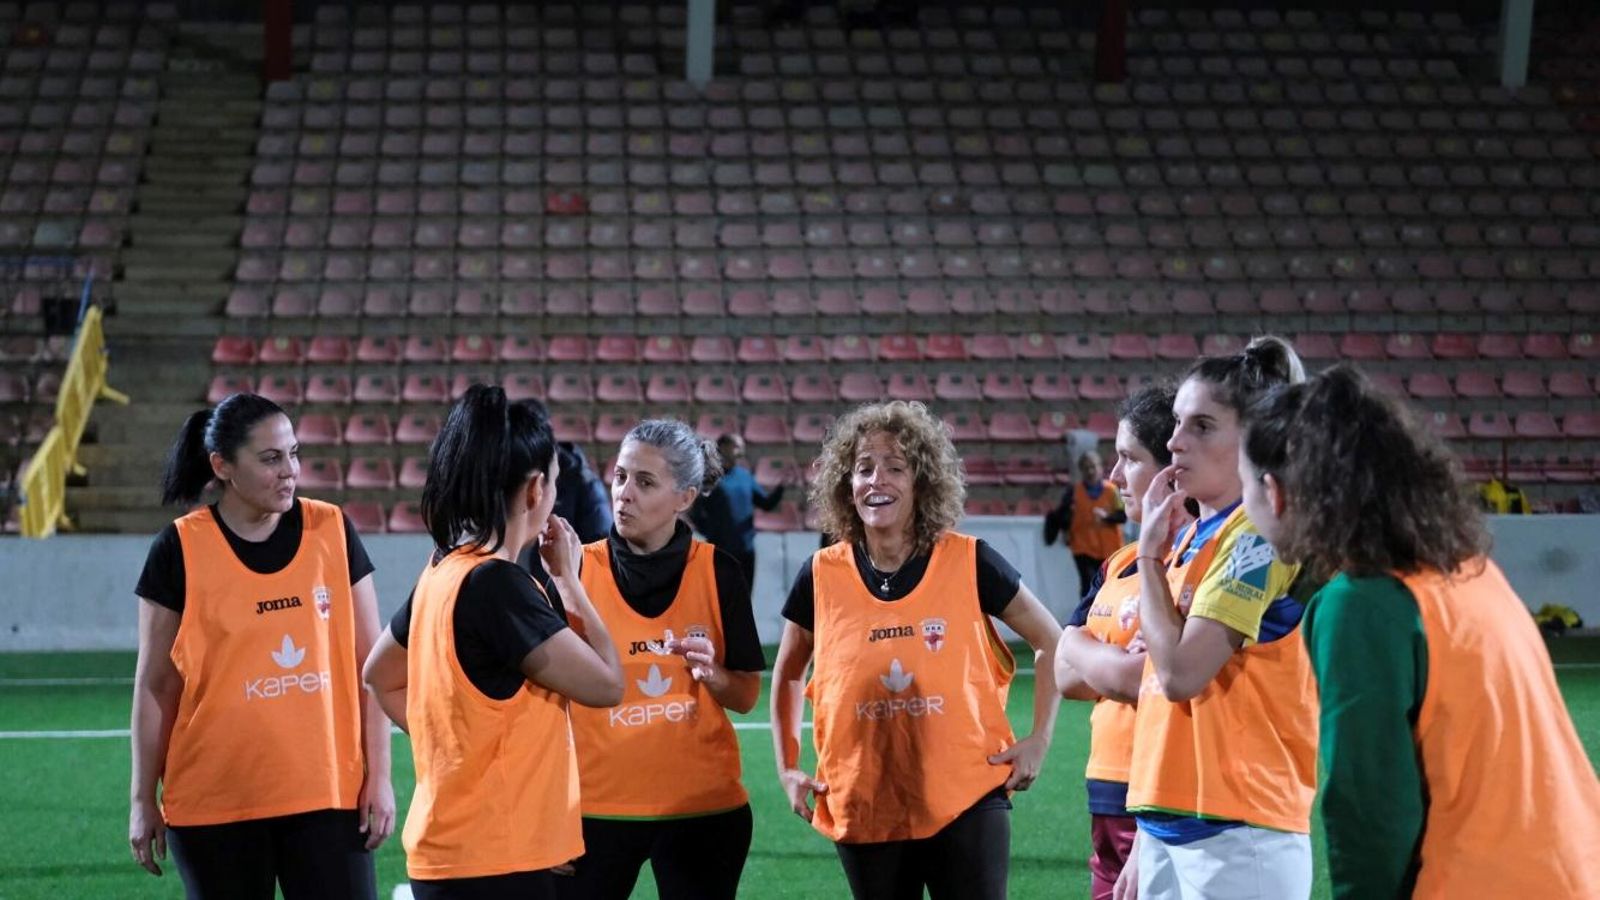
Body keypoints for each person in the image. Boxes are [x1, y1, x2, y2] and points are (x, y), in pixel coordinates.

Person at [1240, 365, 1600, 898]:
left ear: (1274, 493)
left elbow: (1370, 808)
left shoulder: (1361, 605)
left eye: (1244, 486)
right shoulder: (1471, 571)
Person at [771, 400, 1062, 900]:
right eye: (864, 468)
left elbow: (1053, 642)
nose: (876, 480)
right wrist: (787, 768)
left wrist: (1039, 739)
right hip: (863, 800)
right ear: (845, 483)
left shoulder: (972, 560)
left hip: (968, 797)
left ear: (922, 482)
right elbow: (789, 673)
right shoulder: (820, 574)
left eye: (895, 467)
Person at [361, 385, 624, 899]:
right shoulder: (499, 586)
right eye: (554, 480)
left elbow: (380, 675)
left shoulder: (443, 567)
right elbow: (608, 684)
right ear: (534, 490)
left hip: (457, 852)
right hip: (494, 860)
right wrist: (569, 581)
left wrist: (457, 751)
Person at [129, 392, 393, 899]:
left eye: (293, 454)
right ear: (222, 466)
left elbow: (372, 668)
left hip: (329, 799)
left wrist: (379, 777)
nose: (289, 470)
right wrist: (142, 799)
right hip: (214, 805)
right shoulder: (178, 548)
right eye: (271, 458)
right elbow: (156, 685)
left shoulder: (333, 529)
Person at [1115, 336, 1317, 900]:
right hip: (1175, 820)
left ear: (1257, 437)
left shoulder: (1256, 534)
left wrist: (1148, 557)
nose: (1174, 441)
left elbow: (1179, 674)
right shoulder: (1195, 535)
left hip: (1238, 828)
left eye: (1202, 426)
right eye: (1178, 423)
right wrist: (1147, 835)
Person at [561, 420, 765, 900]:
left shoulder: (719, 570)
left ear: (685, 498)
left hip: (703, 810)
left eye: (645, 482)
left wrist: (714, 675)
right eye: (620, 476)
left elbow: (745, 697)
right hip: (595, 812)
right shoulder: (573, 570)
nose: (624, 493)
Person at [1053, 385, 1180, 900]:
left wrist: (1083, 647)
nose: (1114, 476)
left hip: (1160, 791)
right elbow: (1064, 675)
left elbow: (1139, 680)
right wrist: (1097, 657)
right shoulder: (1118, 563)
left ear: (1171, 469)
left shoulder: (1192, 563)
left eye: (1129, 458)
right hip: (1105, 787)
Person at [689, 433, 785, 592]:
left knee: (745, 598)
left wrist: (781, 488)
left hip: (746, 550)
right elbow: (695, 512)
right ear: (723, 448)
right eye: (737, 447)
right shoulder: (710, 477)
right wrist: (711, 532)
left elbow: (766, 504)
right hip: (720, 551)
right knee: (720, 597)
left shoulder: (745, 475)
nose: (741, 451)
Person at [1046, 451, 1127, 597]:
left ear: (1100, 468)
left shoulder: (1111, 490)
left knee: (1109, 585)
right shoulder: (1074, 492)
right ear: (1081, 471)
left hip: (1110, 549)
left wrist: (1107, 517)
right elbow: (1062, 515)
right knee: (1088, 585)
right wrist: (1063, 530)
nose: (1090, 471)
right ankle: (1087, 611)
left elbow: (1123, 516)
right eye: (1086, 468)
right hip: (1083, 548)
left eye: (1093, 467)